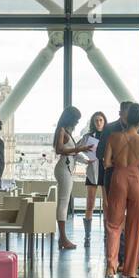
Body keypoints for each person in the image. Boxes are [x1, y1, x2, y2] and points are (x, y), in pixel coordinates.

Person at [96, 100, 139, 273]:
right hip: (137, 180)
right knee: (135, 225)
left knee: (113, 224)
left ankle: (110, 266)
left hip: (118, 177)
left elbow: (105, 163)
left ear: (126, 119)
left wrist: (118, 163)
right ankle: (130, 270)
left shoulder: (113, 137)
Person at [52, 106, 89, 250]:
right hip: (63, 169)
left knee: (64, 202)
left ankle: (63, 237)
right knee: (63, 203)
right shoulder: (62, 131)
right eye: (76, 119)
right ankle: (62, 238)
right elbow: (60, 150)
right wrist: (78, 149)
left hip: (66, 168)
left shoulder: (66, 131)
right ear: (71, 119)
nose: (77, 122)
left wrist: (87, 161)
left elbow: (72, 154)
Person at [80, 111, 108, 238]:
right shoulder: (87, 137)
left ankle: (108, 233)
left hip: (106, 170)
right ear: (93, 122)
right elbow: (76, 150)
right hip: (92, 170)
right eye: (96, 120)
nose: (98, 122)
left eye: (101, 120)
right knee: (90, 202)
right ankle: (87, 234)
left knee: (106, 203)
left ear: (104, 121)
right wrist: (85, 160)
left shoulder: (110, 136)